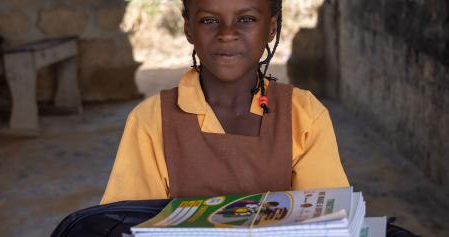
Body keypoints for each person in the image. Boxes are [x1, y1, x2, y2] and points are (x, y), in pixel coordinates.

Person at [101, 0, 349, 204]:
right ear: (188, 29)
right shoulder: (151, 120)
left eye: (246, 19)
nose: (227, 34)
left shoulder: (303, 115)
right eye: (209, 20)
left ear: (271, 28)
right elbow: (126, 221)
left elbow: (329, 217)